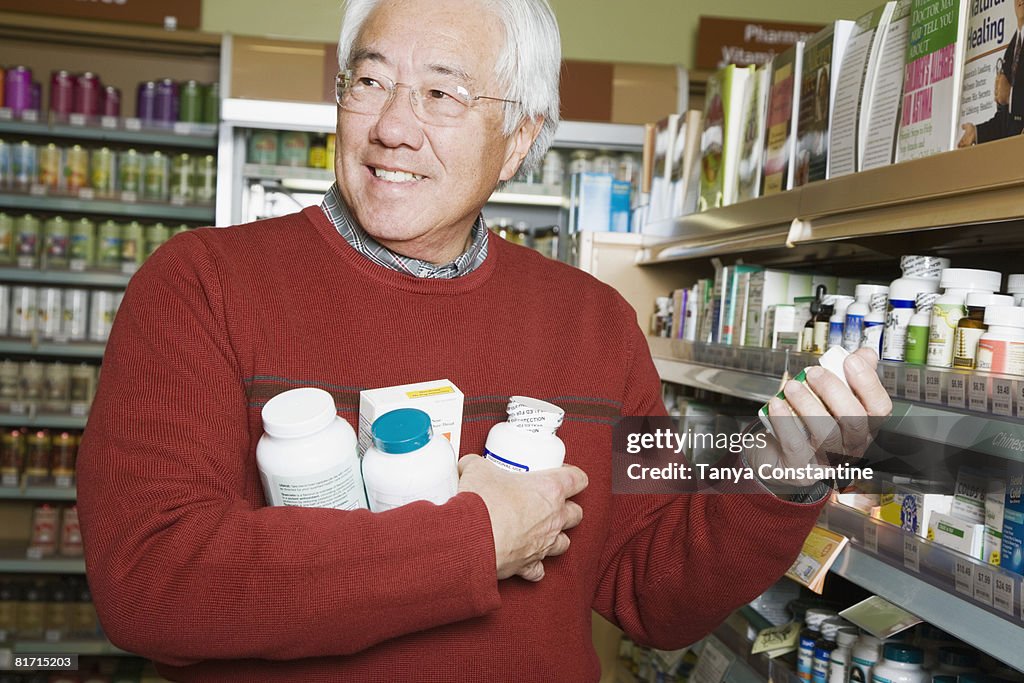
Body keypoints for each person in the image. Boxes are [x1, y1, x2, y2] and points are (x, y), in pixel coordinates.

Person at [76, 0, 892, 680]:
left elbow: (655, 590)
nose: (393, 126)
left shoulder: (597, 325)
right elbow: (149, 579)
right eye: (371, 80)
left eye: (443, 94)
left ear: (522, 140)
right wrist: (472, 541)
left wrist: (780, 475)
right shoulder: (201, 284)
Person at [959, 0, 1024, 146]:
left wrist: (1011, 94)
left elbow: (1011, 99)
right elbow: (1005, 121)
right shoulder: (1012, 49)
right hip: (1013, 157)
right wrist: (977, 132)